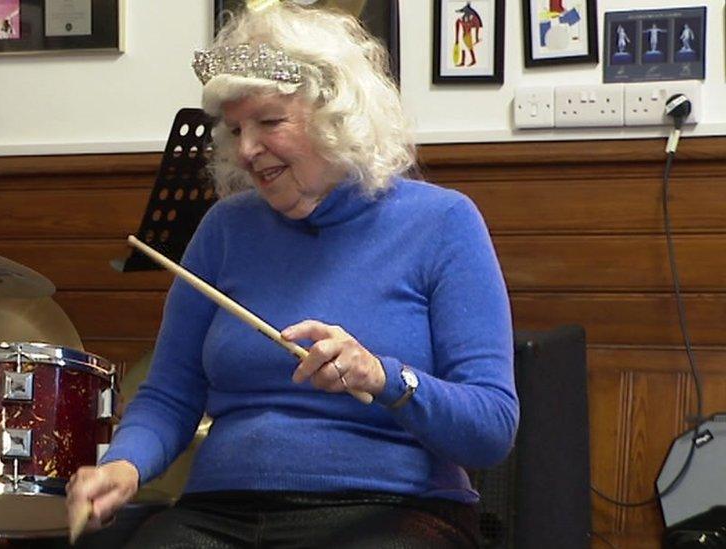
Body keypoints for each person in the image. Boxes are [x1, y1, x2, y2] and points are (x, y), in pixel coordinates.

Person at [67, 3, 518, 547]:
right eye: (235, 129)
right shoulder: (224, 229)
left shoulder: (443, 223)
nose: (247, 149)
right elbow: (169, 396)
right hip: (220, 510)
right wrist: (122, 467)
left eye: (270, 122)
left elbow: (491, 427)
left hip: (393, 511)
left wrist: (384, 377)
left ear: (338, 117)